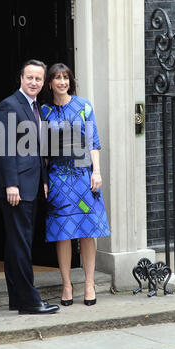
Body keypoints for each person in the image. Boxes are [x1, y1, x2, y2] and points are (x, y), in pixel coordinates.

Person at [41, 63, 110, 307]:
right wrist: (45, 180)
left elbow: (94, 142)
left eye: (65, 78)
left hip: (84, 176)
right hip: (58, 177)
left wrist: (97, 172)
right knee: (63, 233)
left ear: (70, 81)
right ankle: (67, 284)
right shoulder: (44, 111)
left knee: (87, 232)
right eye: (57, 78)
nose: (62, 82)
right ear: (49, 83)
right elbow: (43, 153)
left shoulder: (83, 106)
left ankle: (89, 284)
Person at [0, 60, 60, 315]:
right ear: (21, 78)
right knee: (20, 243)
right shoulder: (9, 105)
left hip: (31, 185)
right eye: (29, 77)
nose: (34, 83)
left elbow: (37, 149)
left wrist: (43, 179)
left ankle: (18, 300)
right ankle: (30, 301)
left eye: (38, 79)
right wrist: (12, 184)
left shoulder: (37, 108)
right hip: (16, 188)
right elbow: (6, 147)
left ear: (44, 83)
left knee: (17, 243)